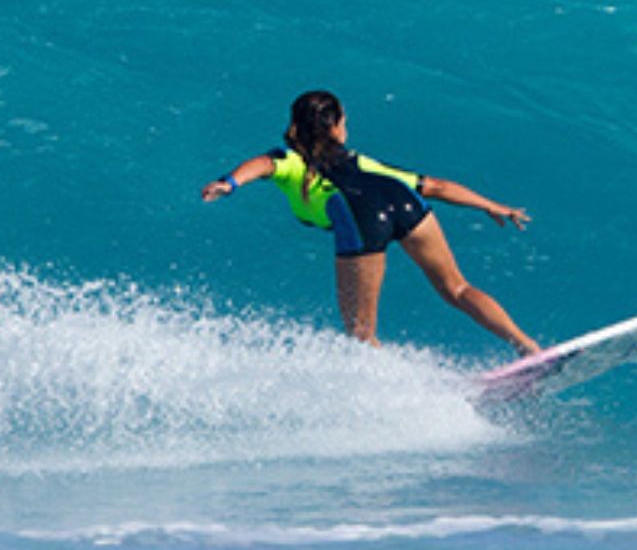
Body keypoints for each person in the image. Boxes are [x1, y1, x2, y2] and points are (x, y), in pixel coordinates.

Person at [201, 90, 540, 356]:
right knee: (457, 288)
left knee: (361, 334)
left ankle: (405, 399)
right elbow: (435, 187)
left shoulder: (291, 160)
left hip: (360, 215)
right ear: (335, 127)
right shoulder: (359, 161)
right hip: (402, 199)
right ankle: (529, 349)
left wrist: (229, 183)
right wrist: (492, 206)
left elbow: (262, 164)